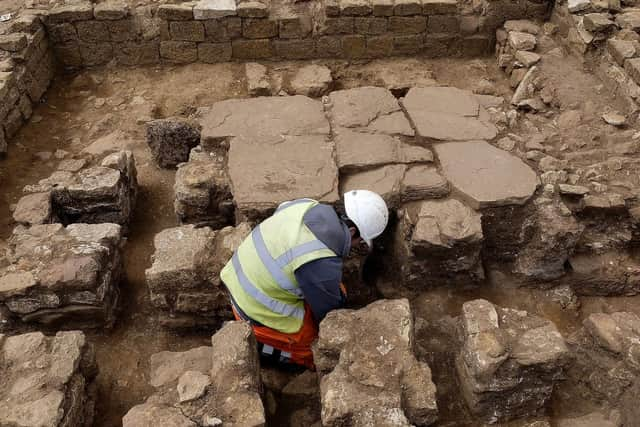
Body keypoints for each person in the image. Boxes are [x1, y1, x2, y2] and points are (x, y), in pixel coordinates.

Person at [220, 190, 389, 370]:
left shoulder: (306, 205)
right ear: (352, 231)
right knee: (313, 350)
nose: (358, 246)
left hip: (240, 275)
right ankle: (262, 347)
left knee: (335, 289)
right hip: (255, 309)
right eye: (360, 241)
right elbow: (328, 316)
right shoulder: (319, 261)